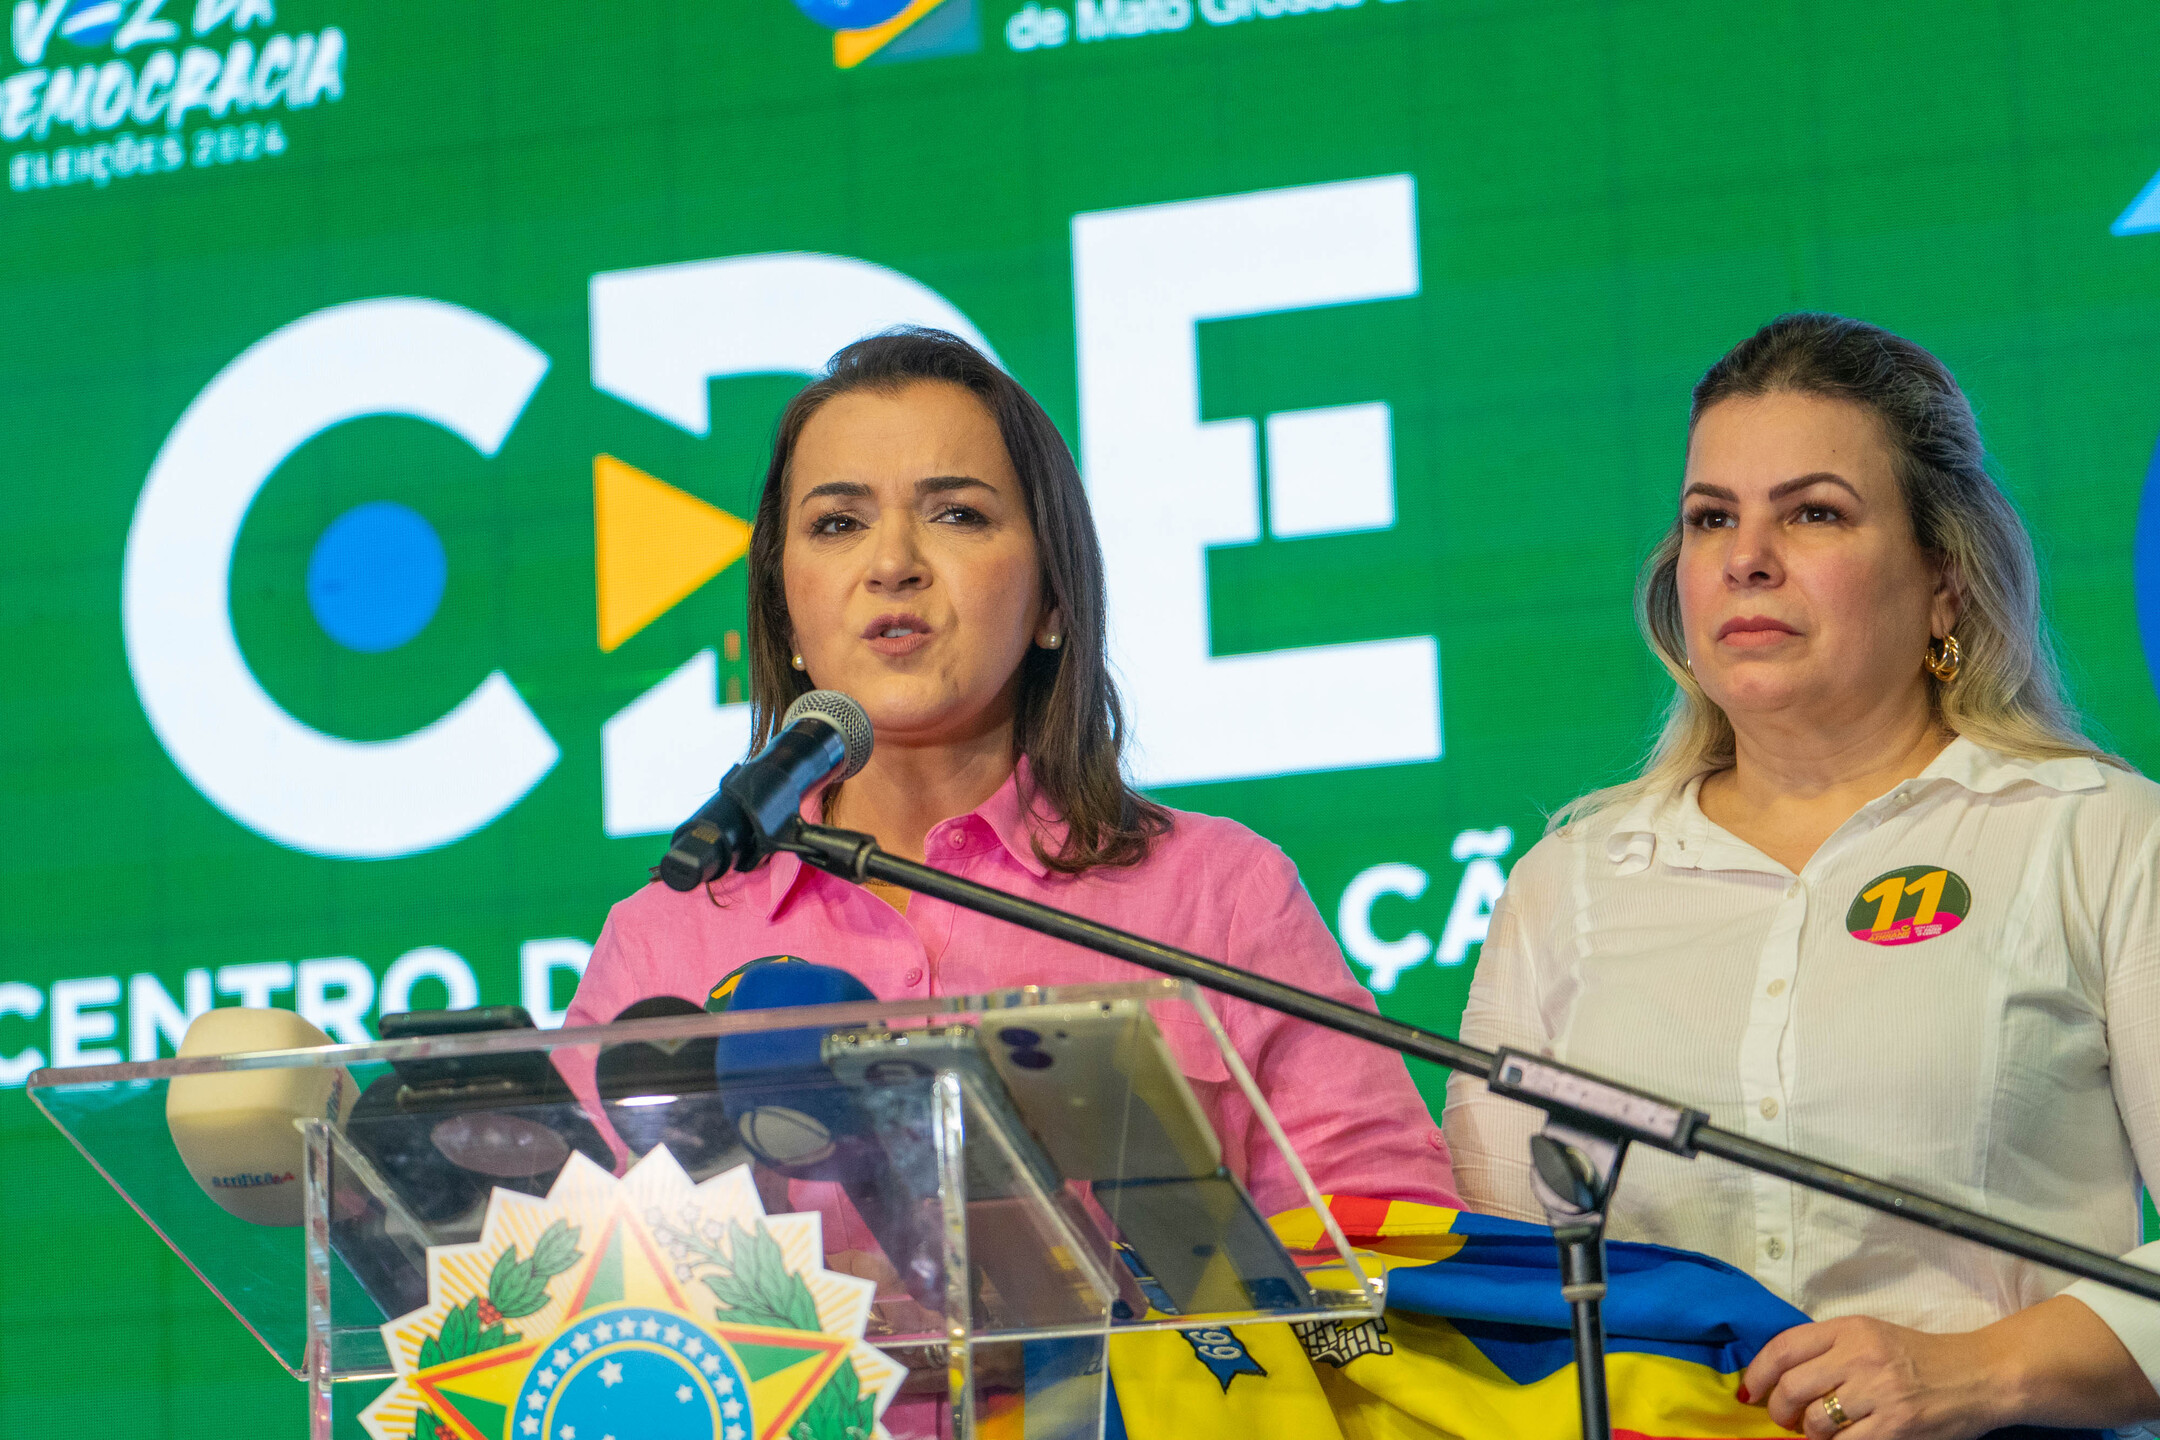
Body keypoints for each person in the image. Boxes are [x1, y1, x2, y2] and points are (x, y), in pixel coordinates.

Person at [1443, 313, 2160, 1440]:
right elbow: (1505, 1279)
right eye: (1710, 518)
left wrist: (1979, 1373)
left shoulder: (2101, 837)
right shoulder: (1569, 883)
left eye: (1814, 512)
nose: (1746, 558)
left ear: (1944, 577)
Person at [566, 326, 1456, 1225]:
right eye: (838, 523)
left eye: (957, 514)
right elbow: (554, 1286)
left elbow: (1394, 1247)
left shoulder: (1218, 899)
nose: (891, 565)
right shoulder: (664, 942)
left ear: (1053, 602)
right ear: (785, 614)